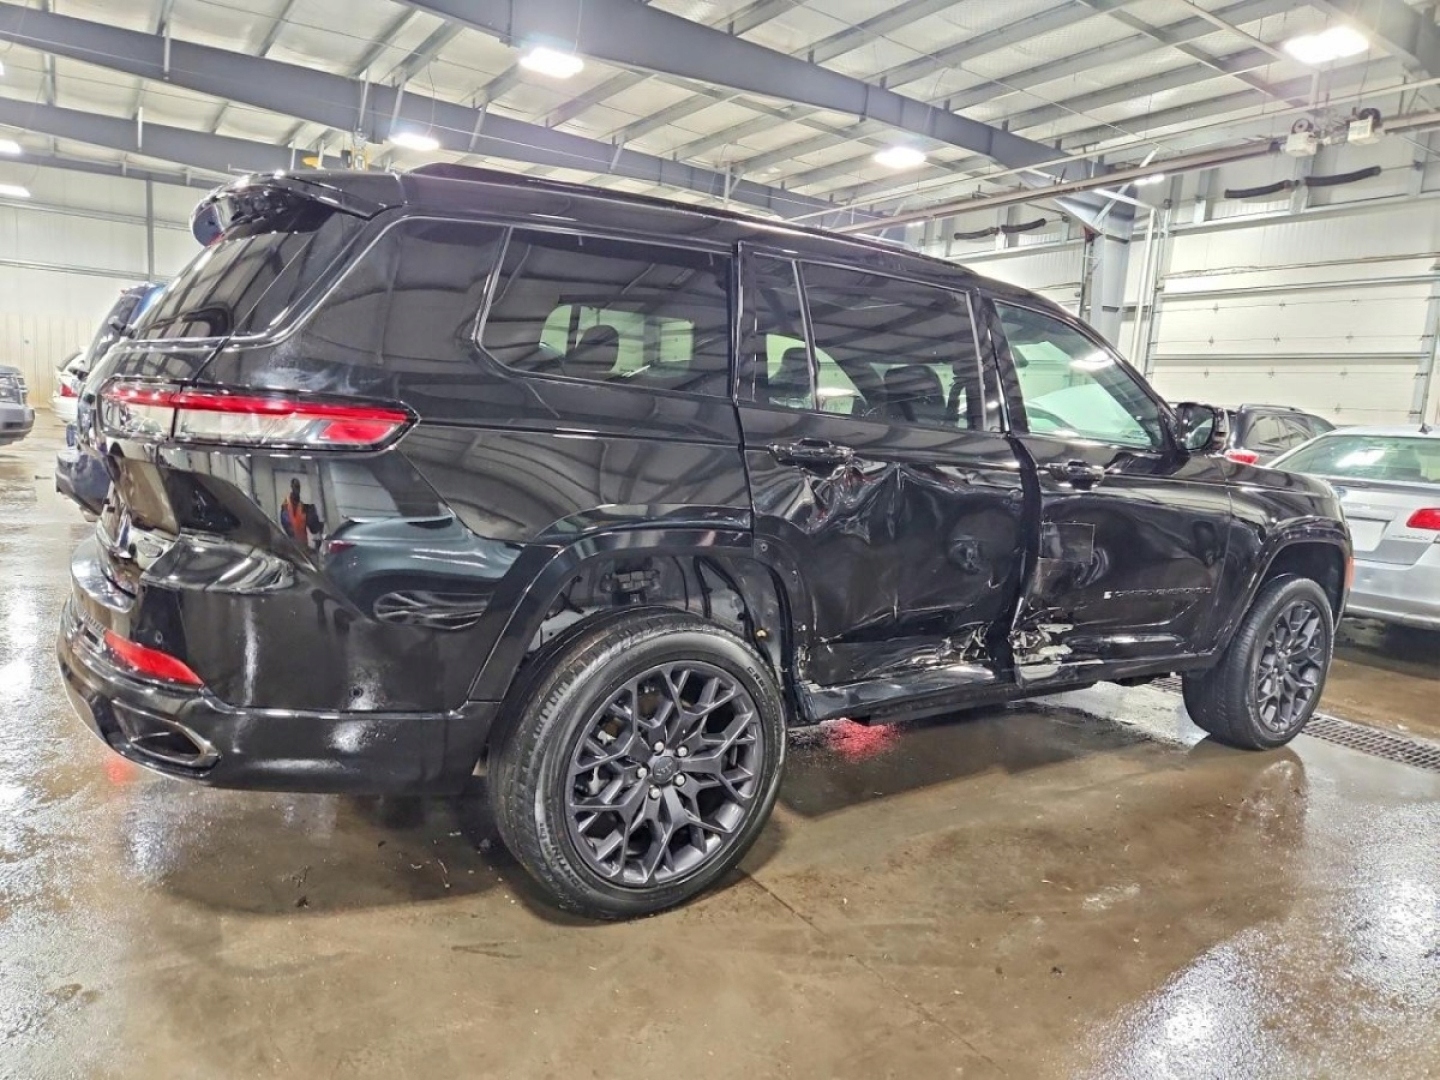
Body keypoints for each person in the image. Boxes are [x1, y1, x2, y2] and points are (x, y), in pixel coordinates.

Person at [279, 478, 322, 548]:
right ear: (292, 487)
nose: (297, 490)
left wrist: (315, 521)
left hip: (303, 544)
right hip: (292, 545)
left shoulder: (303, 506)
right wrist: (292, 534)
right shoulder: (286, 504)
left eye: (298, 487)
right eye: (295, 487)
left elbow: (313, 528)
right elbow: (286, 524)